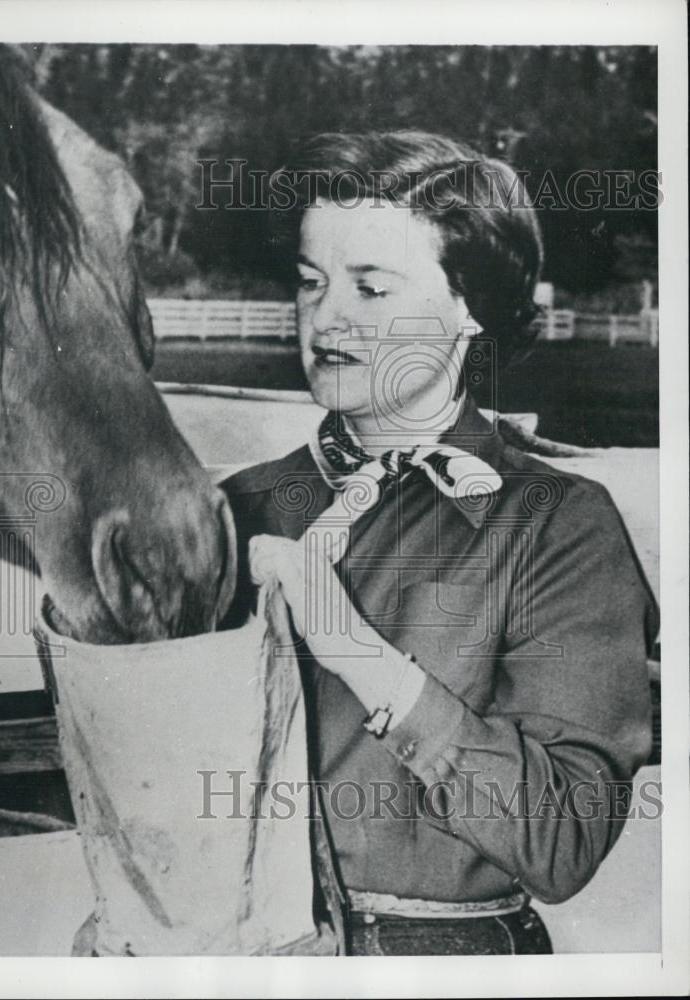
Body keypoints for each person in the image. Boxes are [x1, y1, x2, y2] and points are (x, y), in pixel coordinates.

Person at [221, 131, 658, 956]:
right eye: (311, 282)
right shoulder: (236, 509)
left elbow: (561, 840)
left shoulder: (557, 524)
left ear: (471, 307)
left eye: (372, 288)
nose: (328, 316)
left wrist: (351, 646)